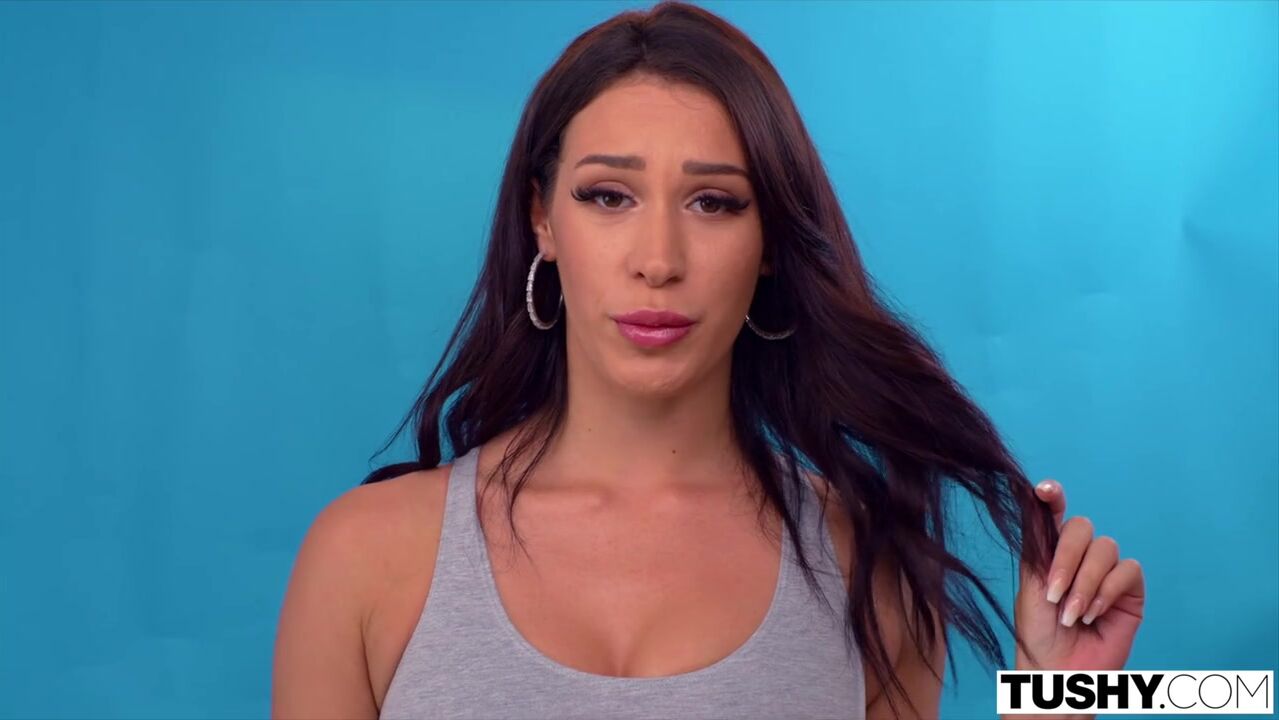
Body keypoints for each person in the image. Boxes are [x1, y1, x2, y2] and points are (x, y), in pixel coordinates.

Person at [272, 2, 1146, 718]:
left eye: (714, 202)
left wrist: (1058, 695)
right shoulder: (364, 559)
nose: (658, 259)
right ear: (542, 219)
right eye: (607, 196)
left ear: (768, 244)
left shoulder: (872, 568)